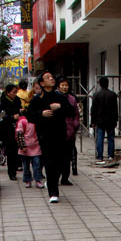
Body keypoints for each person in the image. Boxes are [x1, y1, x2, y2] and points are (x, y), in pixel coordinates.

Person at [27, 70, 71, 204]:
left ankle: (52, 181)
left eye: (52, 77)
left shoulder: (61, 97)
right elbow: (29, 116)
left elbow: (71, 111)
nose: (51, 79)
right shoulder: (37, 99)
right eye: (48, 77)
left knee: (61, 162)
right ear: (41, 83)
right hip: (45, 135)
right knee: (49, 162)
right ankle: (53, 192)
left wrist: (60, 107)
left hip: (60, 135)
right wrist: (41, 114)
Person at [56, 75, 80, 185]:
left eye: (66, 85)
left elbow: (76, 114)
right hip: (58, 131)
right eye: (62, 85)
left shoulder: (72, 99)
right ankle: (56, 177)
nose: (65, 87)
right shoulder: (55, 97)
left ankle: (65, 177)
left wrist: (75, 124)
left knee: (67, 157)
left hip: (70, 131)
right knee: (58, 157)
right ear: (58, 86)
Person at [90, 76, 118, 163]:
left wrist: (93, 121)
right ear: (107, 84)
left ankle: (100, 156)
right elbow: (115, 109)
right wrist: (116, 120)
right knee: (111, 138)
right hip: (110, 120)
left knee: (100, 138)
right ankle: (110, 155)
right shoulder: (113, 94)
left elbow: (93, 109)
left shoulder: (96, 95)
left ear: (100, 84)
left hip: (99, 120)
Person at [16, 110, 44, 188]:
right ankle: (28, 180)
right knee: (26, 166)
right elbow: (19, 134)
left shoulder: (36, 122)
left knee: (37, 164)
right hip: (26, 147)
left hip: (36, 146)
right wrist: (22, 146)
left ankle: (37, 180)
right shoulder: (23, 122)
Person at [0, 84, 22, 180]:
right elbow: (1, 116)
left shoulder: (17, 100)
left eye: (16, 92)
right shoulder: (2, 102)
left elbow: (19, 109)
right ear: (7, 93)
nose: (15, 94)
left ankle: (16, 168)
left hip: (17, 127)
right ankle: (11, 172)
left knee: (17, 150)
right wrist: (11, 117)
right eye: (13, 92)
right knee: (10, 151)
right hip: (7, 129)